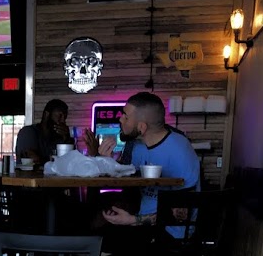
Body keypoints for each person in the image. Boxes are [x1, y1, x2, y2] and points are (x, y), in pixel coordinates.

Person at [84, 91, 200, 241]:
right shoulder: (137, 145)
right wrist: (107, 161)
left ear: (142, 127)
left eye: (126, 116)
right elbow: (128, 178)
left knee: (100, 240)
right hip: (141, 221)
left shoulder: (179, 150)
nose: (120, 119)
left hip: (170, 233)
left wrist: (132, 220)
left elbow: (181, 215)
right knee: (88, 223)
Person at [14, 98, 75, 164]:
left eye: (65, 117)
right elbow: (32, 160)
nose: (63, 121)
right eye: (60, 116)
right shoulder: (28, 132)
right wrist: (54, 161)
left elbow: (72, 162)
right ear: (46, 115)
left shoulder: (59, 138)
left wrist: (67, 138)